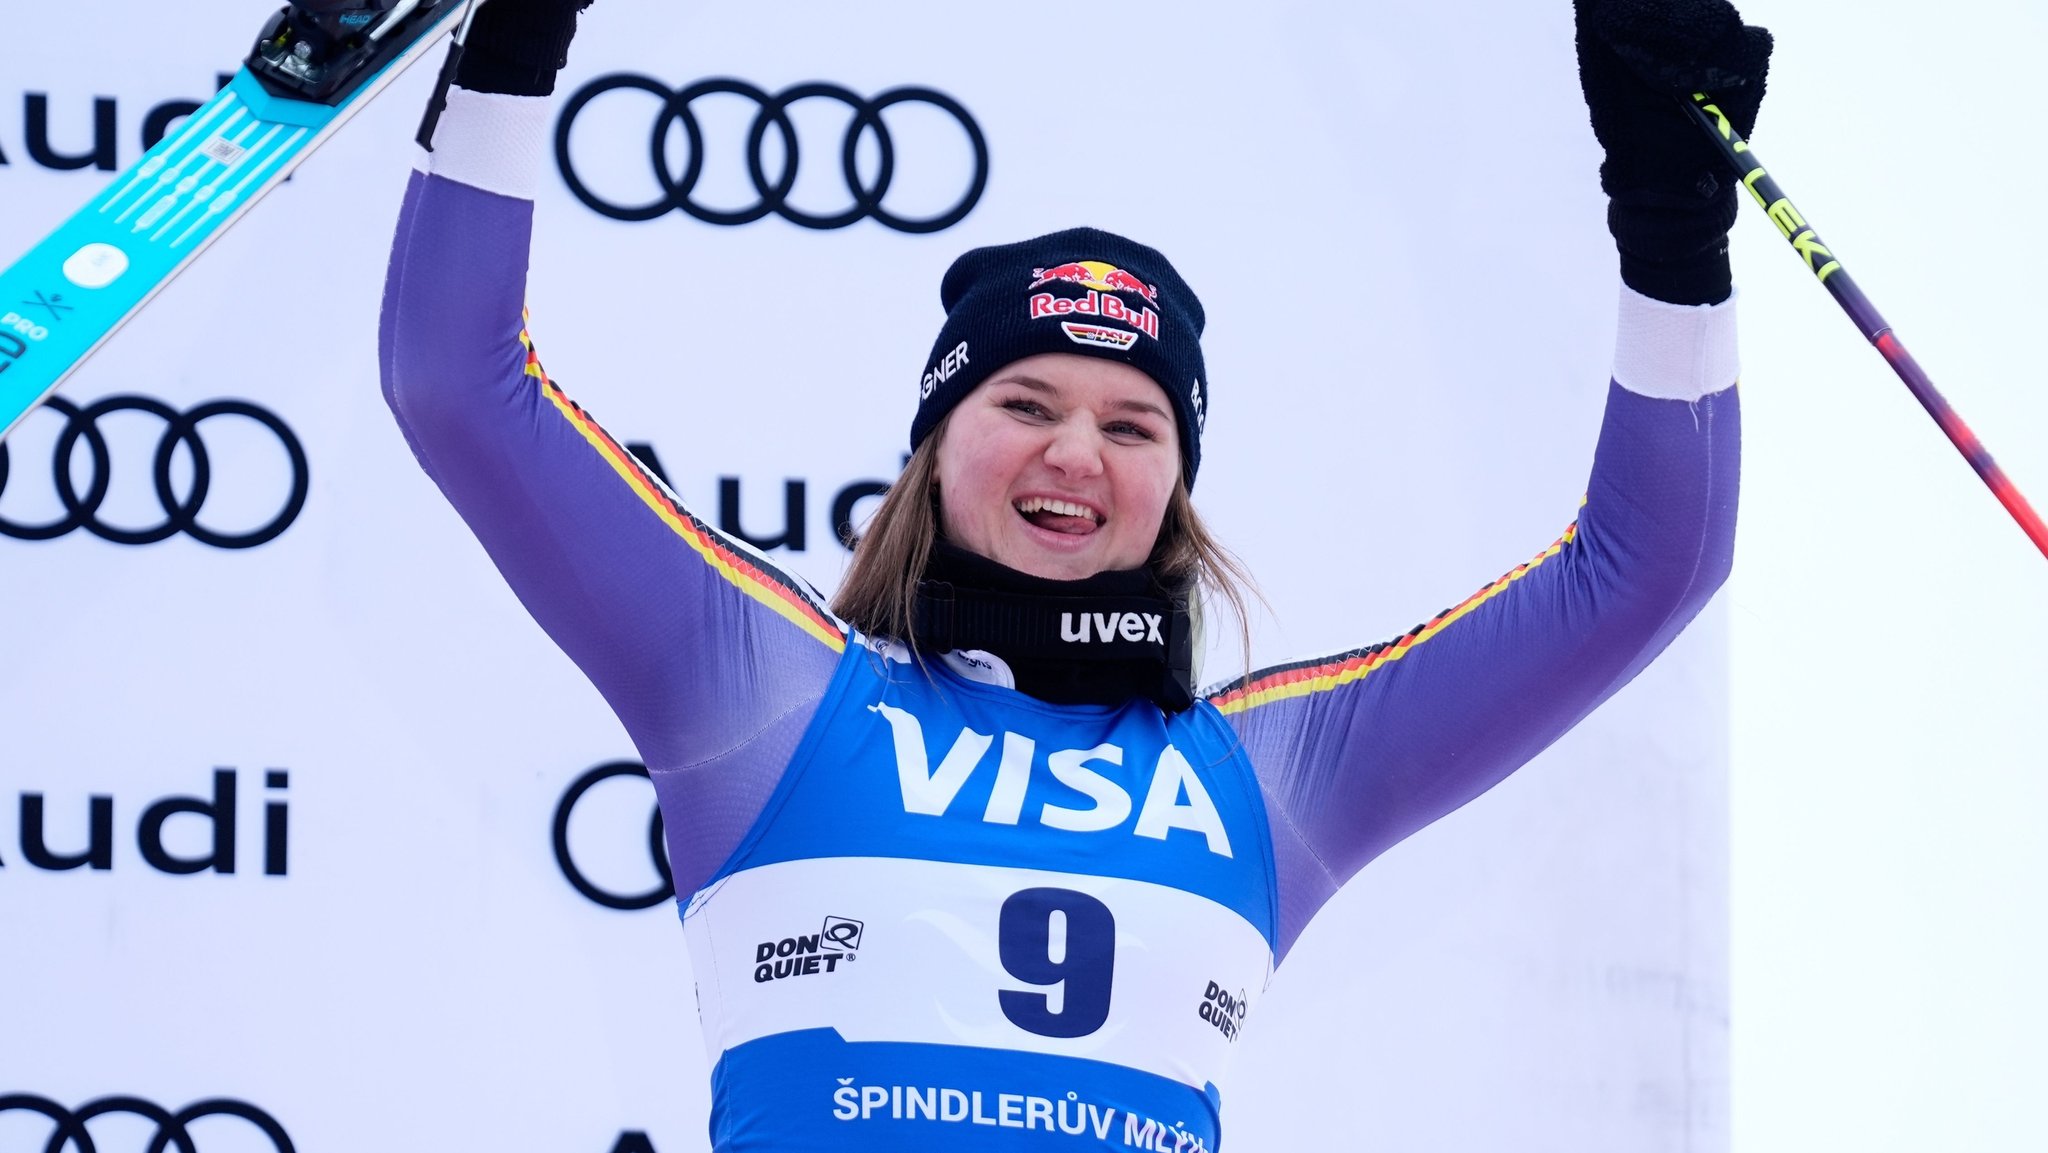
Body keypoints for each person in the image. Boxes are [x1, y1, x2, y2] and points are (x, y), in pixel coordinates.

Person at [380, 0, 1762, 1147]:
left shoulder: (1273, 774)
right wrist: (513, 45)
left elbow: (1649, 566)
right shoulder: (767, 694)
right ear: (934, 446)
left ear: (1178, 484)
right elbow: (456, 381)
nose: (1077, 454)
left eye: (1133, 422)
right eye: (1026, 403)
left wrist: (1672, 237)